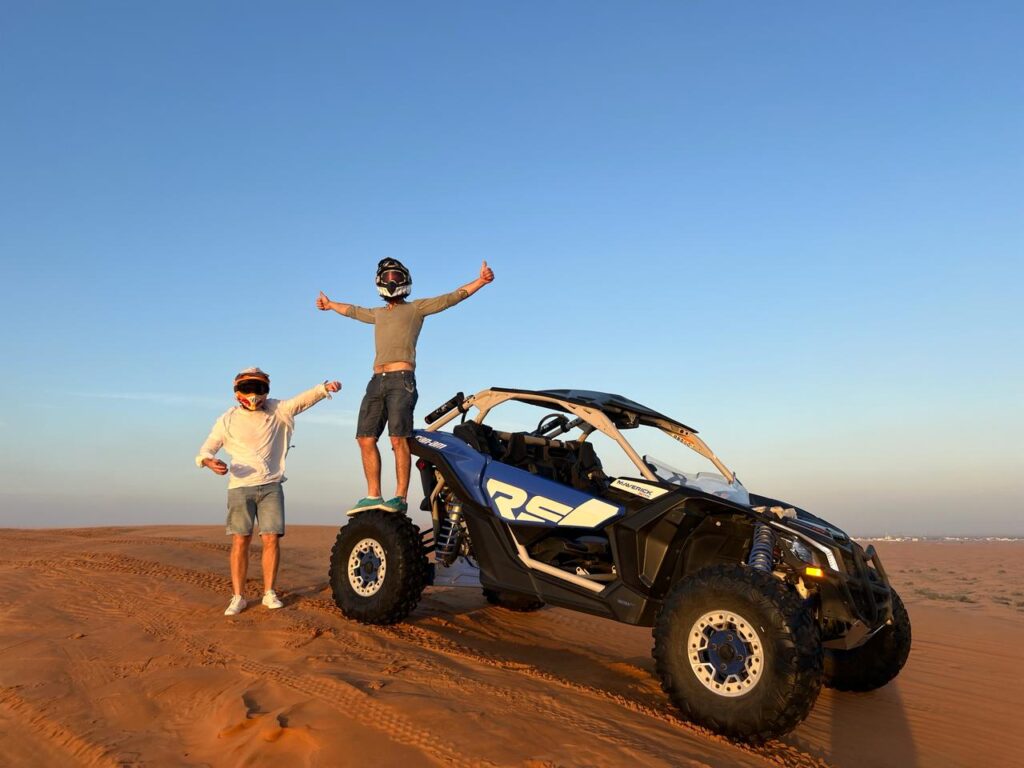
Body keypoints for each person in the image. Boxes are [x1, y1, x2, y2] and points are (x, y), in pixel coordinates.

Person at [316, 258, 494, 514]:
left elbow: (451, 298)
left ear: (405, 281)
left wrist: (481, 281)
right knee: (365, 438)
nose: (391, 282)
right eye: (387, 277)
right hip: (376, 381)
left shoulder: (416, 309)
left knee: (399, 439)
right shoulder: (377, 314)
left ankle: (399, 497)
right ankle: (373, 495)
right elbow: (353, 310)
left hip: (402, 379)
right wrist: (330, 304)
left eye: (395, 277)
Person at [196, 367, 342, 616]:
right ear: (237, 391)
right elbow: (207, 449)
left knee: (271, 538)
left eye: (259, 388)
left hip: (271, 486)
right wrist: (209, 462)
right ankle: (238, 596)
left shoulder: (277, 409)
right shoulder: (226, 419)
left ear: (266, 390)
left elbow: (301, 401)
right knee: (240, 540)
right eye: (248, 388)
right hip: (240, 487)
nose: (253, 394)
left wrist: (323, 389)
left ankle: (269, 593)